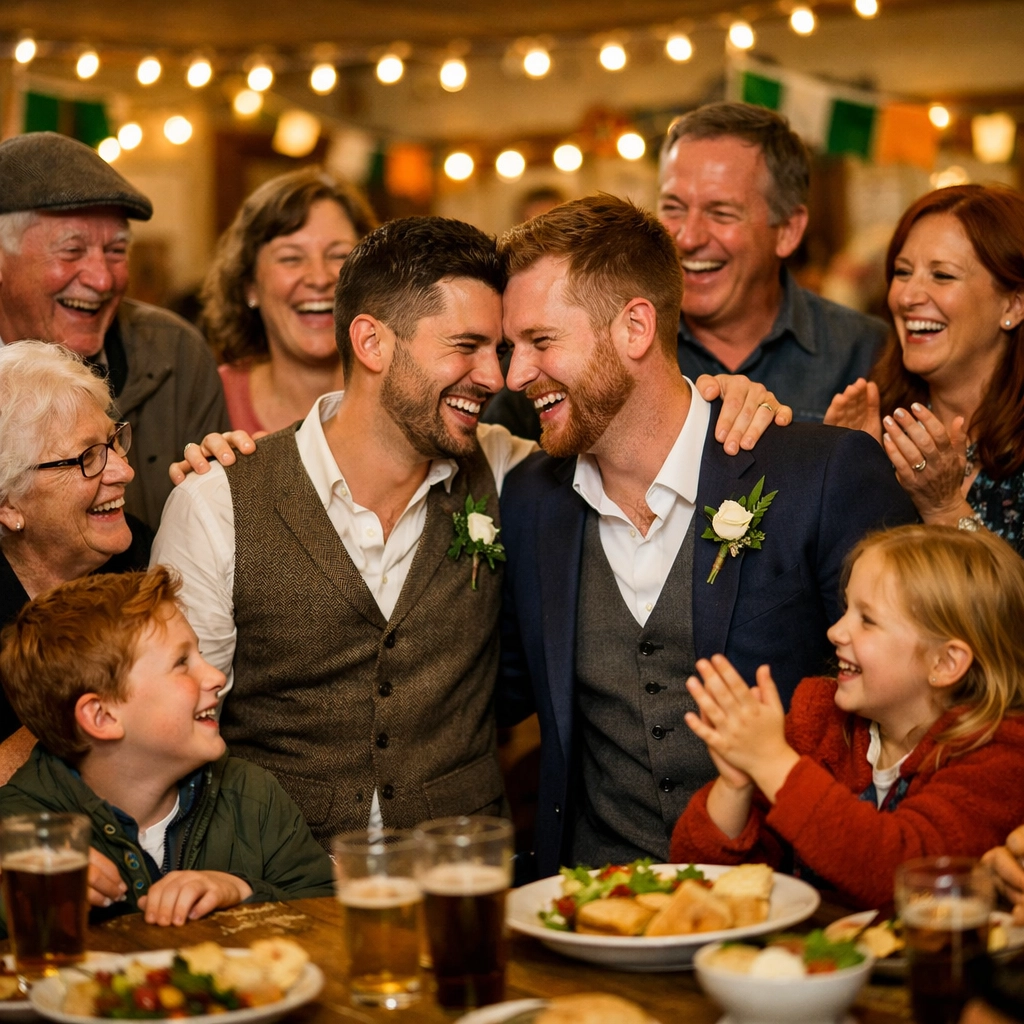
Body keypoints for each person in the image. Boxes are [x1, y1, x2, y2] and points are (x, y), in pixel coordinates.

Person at [155, 216, 789, 849]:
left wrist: (725, 406)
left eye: (501, 349)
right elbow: (174, 729)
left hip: (463, 878)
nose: (497, 377)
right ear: (372, 343)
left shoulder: (513, 474)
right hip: (277, 889)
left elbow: (637, 435)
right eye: (466, 346)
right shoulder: (218, 502)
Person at [496, 194, 917, 877]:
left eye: (541, 342)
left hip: (785, 909)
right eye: (510, 348)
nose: (514, 376)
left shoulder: (824, 473)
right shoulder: (530, 501)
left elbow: (918, 707)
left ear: (635, 328)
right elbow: (488, 691)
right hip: (593, 909)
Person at [671, 526, 1024, 910]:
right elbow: (701, 877)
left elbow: (902, 873)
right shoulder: (820, 721)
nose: (835, 631)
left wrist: (772, 763)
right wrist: (736, 784)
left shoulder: (998, 755)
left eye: (867, 621)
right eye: (845, 610)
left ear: (945, 662)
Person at [0, 567, 334, 932]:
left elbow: (327, 910)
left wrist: (241, 892)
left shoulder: (252, 797)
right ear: (103, 716)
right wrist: (16, 893)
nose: (217, 676)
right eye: (181, 664)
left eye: (201, 654)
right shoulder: (15, 833)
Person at [0, 132, 229, 530]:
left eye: (116, 251)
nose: (102, 280)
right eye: (71, 251)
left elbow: (219, 533)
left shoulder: (175, 355)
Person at [658, 102, 888, 422]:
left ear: (788, 231)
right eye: (673, 207)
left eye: (721, 213)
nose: (687, 238)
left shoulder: (866, 352)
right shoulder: (626, 347)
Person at [825, 184, 1024, 554]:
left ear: (1013, 305)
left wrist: (945, 507)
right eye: (902, 272)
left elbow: (1008, 610)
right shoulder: (878, 426)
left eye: (942, 275)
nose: (906, 296)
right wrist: (844, 478)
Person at [0, 341, 150, 742]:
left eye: (113, 441)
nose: (123, 471)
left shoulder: (143, 556)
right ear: (8, 504)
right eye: (87, 457)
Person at [202, 168, 378, 434]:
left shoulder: (404, 396)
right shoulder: (207, 398)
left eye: (339, 256)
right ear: (250, 286)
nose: (319, 278)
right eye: (291, 258)